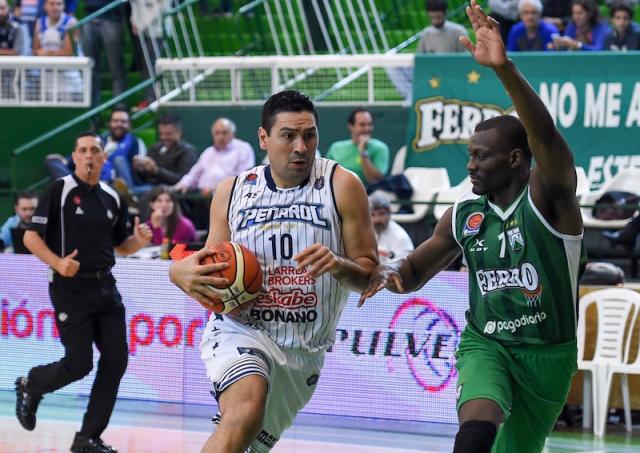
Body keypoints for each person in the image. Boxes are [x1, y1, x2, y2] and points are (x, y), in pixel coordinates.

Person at [359, 2, 584, 452]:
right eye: (470, 154)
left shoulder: (551, 199)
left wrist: (504, 69)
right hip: (487, 343)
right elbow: (412, 272)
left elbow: (547, 139)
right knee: (476, 430)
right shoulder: (464, 214)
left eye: (482, 156)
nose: (471, 165)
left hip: (548, 354)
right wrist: (370, 273)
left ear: (516, 159)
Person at [169, 90, 378, 452]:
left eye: (309, 135)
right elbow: (212, 265)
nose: (301, 146)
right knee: (246, 406)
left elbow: (369, 274)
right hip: (241, 329)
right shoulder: (232, 191)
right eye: (289, 136)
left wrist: (340, 265)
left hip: (304, 350)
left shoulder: (342, 185)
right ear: (264, 138)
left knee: (248, 443)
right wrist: (179, 272)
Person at [15, 131, 152, 453]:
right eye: (83, 151)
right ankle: (30, 385)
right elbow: (31, 238)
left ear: (103, 159)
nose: (89, 155)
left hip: (106, 287)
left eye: (95, 151)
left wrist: (140, 241)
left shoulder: (111, 196)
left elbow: (122, 245)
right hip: (69, 288)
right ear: (74, 157)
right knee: (80, 364)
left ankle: (87, 437)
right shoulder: (59, 190)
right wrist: (58, 263)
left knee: (116, 360)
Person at [173, 118, 255, 194]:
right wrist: (182, 184)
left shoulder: (243, 149)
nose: (220, 136)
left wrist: (217, 189)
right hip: (201, 197)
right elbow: (194, 174)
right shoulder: (208, 152)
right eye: (217, 133)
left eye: (224, 133)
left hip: (229, 196)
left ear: (232, 134)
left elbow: (243, 177)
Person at [131, 114, 197, 195]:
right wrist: (140, 168)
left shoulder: (187, 151)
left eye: (168, 134)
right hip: (147, 186)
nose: (163, 137)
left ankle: (130, 192)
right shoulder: (155, 148)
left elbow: (183, 180)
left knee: (138, 191)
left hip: (169, 192)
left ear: (179, 132)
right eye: (161, 134)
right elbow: (144, 177)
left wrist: (156, 170)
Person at [326, 108, 390, 186]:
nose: (367, 129)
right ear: (351, 126)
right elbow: (326, 176)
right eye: (362, 125)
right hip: (338, 192)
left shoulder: (381, 148)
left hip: (369, 194)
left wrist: (363, 152)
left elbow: (375, 180)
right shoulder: (335, 148)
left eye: (370, 124)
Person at [369, 193, 413, 264]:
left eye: (381, 214)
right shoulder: (363, 232)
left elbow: (404, 266)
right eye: (372, 214)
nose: (376, 220)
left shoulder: (400, 237)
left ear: (389, 213)